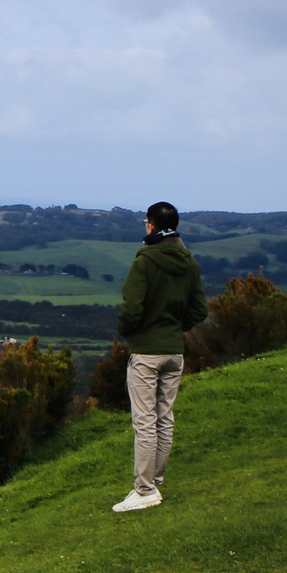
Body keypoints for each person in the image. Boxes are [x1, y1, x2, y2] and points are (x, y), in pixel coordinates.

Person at [114, 201, 208, 512]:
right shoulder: (189, 263)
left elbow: (131, 310)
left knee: (144, 421)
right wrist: (174, 328)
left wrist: (133, 334)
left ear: (151, 225)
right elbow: (199, 310)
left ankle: (144, 490)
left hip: (146, 352)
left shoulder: (144, 263)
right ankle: (156, 481)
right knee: (164, 417)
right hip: (174, 351)